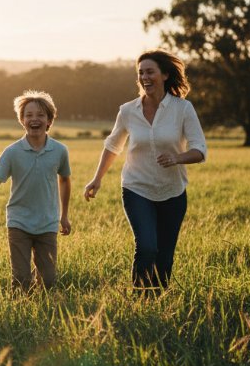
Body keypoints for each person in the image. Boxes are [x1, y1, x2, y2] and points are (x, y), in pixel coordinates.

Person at [83, 49, 207, 292]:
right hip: (136, 188)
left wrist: (177, 157)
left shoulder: (183, 109)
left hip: (172, 191)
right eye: (140, 73)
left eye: (150, 72)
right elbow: (112, 145)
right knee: (147, 246)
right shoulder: (128, 110)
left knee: (164, 256)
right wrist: (97, 179)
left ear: (165, 75)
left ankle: (157, 301)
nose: (144, 77)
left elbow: (200, 150)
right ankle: (139, 298)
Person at [0, 91, 71, 290]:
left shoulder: (59, 150)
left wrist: (64, 215)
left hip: (48, 222)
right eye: (29, 115)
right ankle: (21, 311)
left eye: (40, 115)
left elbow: (65, 180)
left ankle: (40, 298)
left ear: (49, 120)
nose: (34, 119)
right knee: (20, 279)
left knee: (49, 280)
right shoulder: (12, 152)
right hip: (19, 221)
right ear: (22, 120)